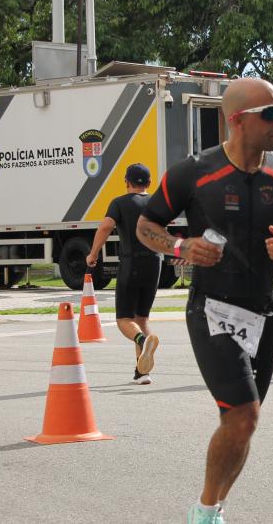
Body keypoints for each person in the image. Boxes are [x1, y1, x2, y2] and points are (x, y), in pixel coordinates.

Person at [136, 77, 273, 524]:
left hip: (264, 312)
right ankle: (203, 512)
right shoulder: (194, 172)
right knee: (243, 416)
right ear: (237, 120)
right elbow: (146, 226)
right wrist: (182, 247)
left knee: (242, 424)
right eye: (270, 114)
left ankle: (212, 508)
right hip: (212, 308)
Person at [86, 163, 161, 386]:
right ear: (149, 182)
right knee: (141, 318)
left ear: (126, 181)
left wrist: (93, 254)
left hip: (131, 263)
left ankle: (143, 340)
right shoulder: (156, 203)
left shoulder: (119, 203)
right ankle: (142, 372)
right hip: (154, 263)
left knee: (124, 319)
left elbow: (105, 227)